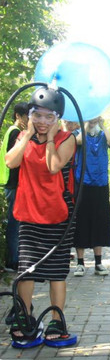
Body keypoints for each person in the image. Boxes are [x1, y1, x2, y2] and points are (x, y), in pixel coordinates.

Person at [5, 87, 76, 344]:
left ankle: (57, 321)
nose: (43, 122)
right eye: (38, 115)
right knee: (26, 271)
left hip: (58, 214)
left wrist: (48, 139)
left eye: (49, 117)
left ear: (58, 117)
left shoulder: (66, 139)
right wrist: (27, 137)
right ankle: (26, 316)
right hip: (28, 214)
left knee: (56, 272)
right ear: (30, 114)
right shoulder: (24, 136)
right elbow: (10, 162)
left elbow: (53, 166)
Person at [73, 116, 110, 277]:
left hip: (101, 183)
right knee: (81, 221)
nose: (93, 121)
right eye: (91, 118)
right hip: (83, 183)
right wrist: (85, 124)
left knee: (99, 221)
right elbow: (77, 142)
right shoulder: (79, 133)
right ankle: (80, 263)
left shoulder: (103, 135)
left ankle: (98, 262)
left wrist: (103, 124)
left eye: (95, 118)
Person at [0, 102, 29, 272]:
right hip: (14, 184)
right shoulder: (16, 133)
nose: (28, 120)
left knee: (15, 222)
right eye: (26, 116)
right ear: (18, 115)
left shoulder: (12, 131)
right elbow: (14, 160)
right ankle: (14, 261)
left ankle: (14, 259)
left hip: (11, 183)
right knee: (15, 223)